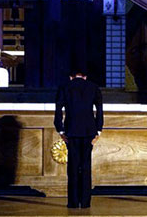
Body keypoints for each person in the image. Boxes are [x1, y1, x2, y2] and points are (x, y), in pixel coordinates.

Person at [54, 67, 103, 208]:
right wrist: (98, 130)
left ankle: (73, 202)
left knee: (73, 167)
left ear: (71, 76)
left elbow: (58, 110)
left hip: (71, 130)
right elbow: (99, 110)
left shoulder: (65, 87)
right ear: (85, 76)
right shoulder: (93, 87)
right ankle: (86, 202)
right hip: (89, 131)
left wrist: (61, 130)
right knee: (86, 166)